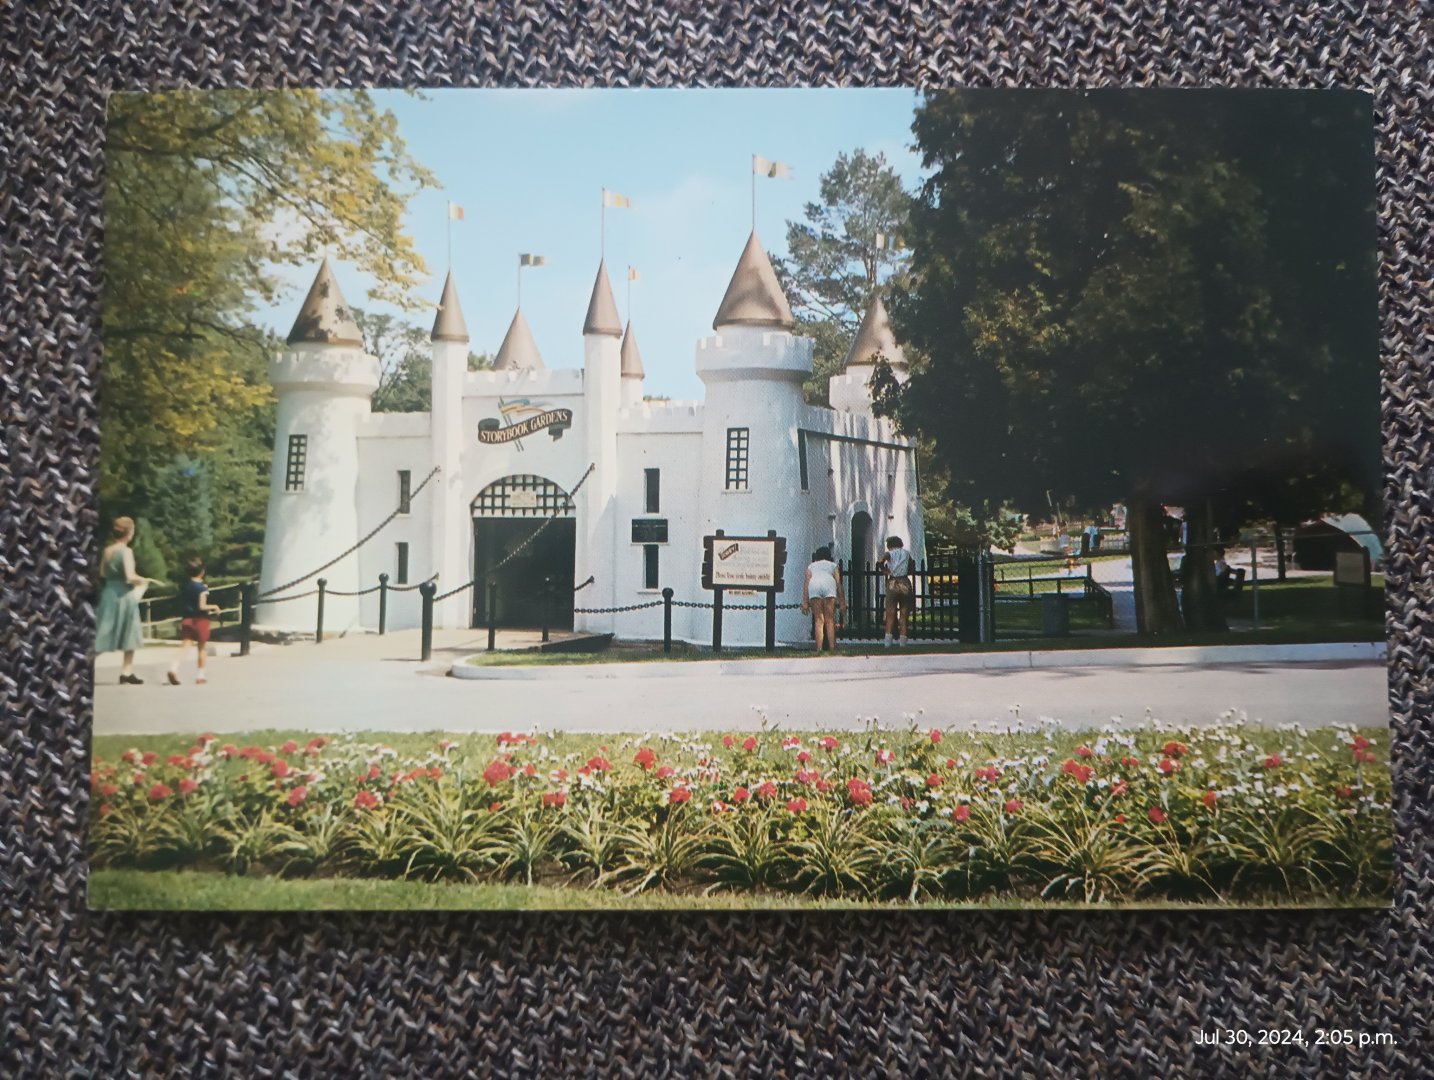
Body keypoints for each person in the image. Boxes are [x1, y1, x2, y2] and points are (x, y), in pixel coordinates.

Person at [94, 516, 156, 684]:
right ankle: (126, 671)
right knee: (131, 631)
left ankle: (88, 662)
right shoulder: (126, 551)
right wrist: (143, 580)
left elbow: (102, 573)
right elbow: (130, 576)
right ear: (129, 533)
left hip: (109, 592)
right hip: (123, 595)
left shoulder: (107, 550)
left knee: (104, 630)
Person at [168, 556, 222, 685]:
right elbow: (202, 606)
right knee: (201, 647)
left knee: (185, 645)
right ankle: (200, 675)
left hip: (187, 618)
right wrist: (215, 607)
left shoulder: (185, 586)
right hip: (201, 619)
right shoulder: (202, 588)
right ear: (202, 571)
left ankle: (174, 668)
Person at [801, 546, 845, 652]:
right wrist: (843, 601)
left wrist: (805, 602)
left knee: (818, 620)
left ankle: (819, 648)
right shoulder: (833, 566)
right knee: (830, 620)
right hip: (828, 584)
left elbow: (806, 583)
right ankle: (832, 648)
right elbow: (839, 584)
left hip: (814, 585)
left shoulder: (811, 566)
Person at [877, 535, 915, 647]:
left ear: (890, 545)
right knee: (904, 614)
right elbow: (912, 567)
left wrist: (885, 570)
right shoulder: (907, 554)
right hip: (905, 582)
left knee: (890, 613)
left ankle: (887, 643)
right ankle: (903, 643)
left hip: (893, 582)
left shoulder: (890, 553)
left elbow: (880, 561)